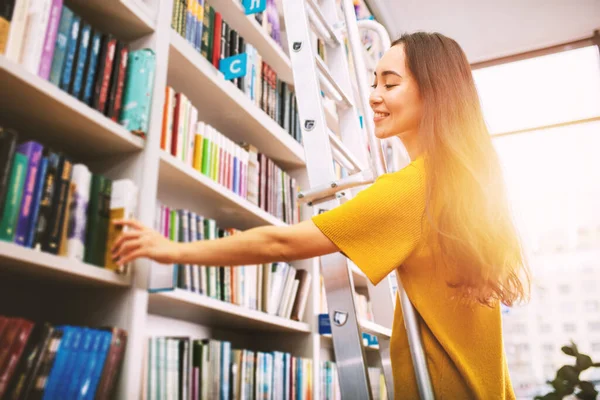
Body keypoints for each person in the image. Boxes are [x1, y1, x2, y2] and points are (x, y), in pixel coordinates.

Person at [112, 32, 530, 399]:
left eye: (390, 83)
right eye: (373, 82)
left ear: (433, 91)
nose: (373, 96)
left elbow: (282, 243)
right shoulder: (465, 184)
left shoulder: (410, 189)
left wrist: (170, 250)